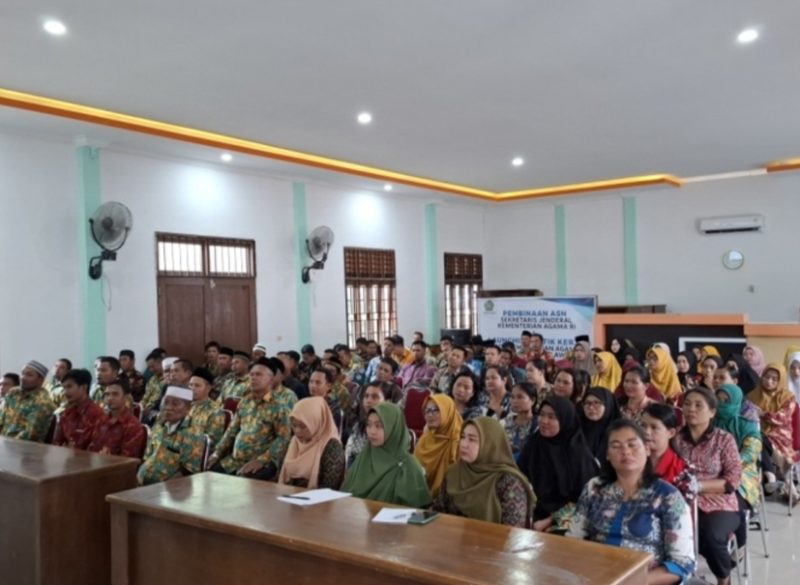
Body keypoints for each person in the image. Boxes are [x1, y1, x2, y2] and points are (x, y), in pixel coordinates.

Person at [567, 420, 696, 584]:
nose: (625, 451)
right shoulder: (595, 488)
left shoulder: (667, 496)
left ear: (647, 449)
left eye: (632, 445)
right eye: (616, 446)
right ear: (607, 454)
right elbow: (573, 540)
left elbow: (682, 563)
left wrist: (634, 581)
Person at [674, 387, 742, 585]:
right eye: (687, 404)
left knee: (711, 536)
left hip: (719, 502)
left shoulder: (723, 439)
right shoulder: (675, 439)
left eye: (698, 405)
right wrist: (686, 489)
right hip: (681, 501)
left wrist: (700, 486)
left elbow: (733, 479)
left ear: (712, 412)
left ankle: (724, 579)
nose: (691, 409)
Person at [432, 417, 535, 527]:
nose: (463, 444)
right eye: (462, 437)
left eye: (472, 440)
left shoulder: (509, 482)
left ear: (489, 444)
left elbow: (513, 531)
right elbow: (437, 512)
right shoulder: (453, 472)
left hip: (492, 542)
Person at [519, 396, 598, 533]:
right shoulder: (534, 445)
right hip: (527, 514)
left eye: (552, 417)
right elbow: (519, 482)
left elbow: (584, 502)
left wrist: (549, 521)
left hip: (564, 521)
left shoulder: (579, 456)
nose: (544, 421)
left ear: (565, 420)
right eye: (542, 415)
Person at [207, 357, 292, 480]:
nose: (253, 378)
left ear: (271, 379)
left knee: (245, 483)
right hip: (236, 460)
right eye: (251, 374)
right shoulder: (245, 401)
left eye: (259, 374)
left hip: (263, 461)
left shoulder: (279, 405)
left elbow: (283, 438)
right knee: (211, 473)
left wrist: (261, 460)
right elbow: (231, 430)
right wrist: (217, 453)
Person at [342, 403, 431, 507]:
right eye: (368, 425)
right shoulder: (364, 457)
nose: (372, 431)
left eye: (378, 426)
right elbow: (345, 496)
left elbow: (416, 513)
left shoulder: (408, 466)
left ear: (394, 428)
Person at [713, 383, 762, 550]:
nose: (722, 404)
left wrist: (731, 463)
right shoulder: (710, 422)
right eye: (718, 400)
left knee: (735, 503)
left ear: (736, 401)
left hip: (742, 473)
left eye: (726, 400)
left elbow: (752, 450)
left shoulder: (745, 424)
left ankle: (739, 544)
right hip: (712, 472)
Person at [748, 363, 798, 501]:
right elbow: (746, 416)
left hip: (780, 435)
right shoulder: (752, 396)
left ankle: (772, 477)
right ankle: (787, 484)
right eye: (766, 377)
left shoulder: (788, 397)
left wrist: (763, 414)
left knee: (760, 440)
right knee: (757, 438)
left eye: (774, 379)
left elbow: (783, 418)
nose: (769, 381)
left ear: (780, 380)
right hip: (757, 433)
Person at [137, 386, 205, 485]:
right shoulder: (159, 425)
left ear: (188, 408)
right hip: (142, 482)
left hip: (169, 490)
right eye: (166, 403)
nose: (168, 407)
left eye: (175, 404)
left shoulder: (193, 433)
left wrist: (163, 489)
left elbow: (188, 471)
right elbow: (147, 457)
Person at [278, 396, 345, 489]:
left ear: (316, 422)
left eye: (303, 426)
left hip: (318, 501)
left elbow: (329, 487)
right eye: (294, 425)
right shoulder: (293, 442)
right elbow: (279, 473)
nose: (297, 431)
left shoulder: (332, 447)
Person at [414, 394, 462, 497]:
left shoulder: (459, 443)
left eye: (435, 409)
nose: (430, 415)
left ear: (447, 411)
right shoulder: (424, 440)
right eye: (427, 410)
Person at [87, 378, 146, 458]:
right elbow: (92, 448)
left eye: (115, 394)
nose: (110, 398)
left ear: (125, 398)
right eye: (107, 394)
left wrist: (108, 458)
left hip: (118, 468)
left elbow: (128, 459)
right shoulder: (101, 420)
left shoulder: (133, 425)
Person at [0, 360, 56, 442]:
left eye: (29, 375)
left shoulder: (43, 403)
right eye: (22, 373)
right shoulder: (13, 393)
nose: (23, 377)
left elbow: (30, 435)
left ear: (41, 380)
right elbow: (1, 419)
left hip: (25, 450)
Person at [52, 368, 107, 449]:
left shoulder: (97, 414)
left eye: (69, 387)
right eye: (64, 388)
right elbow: (56, 443)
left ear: (84, 387)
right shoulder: (66, 413)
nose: (66, 392)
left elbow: (97, 448)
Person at [344, 381, 392, 468]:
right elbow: (349, 455)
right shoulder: (359, 426)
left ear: (387, 402)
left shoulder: (394, 430)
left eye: (375, 397)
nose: (368, 401)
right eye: (366, 396)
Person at [641, 403, 689, 487]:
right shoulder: (631, 459)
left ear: (671, 433)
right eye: (643, 426)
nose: (646, 432)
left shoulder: (683, 468)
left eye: (654, 427)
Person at [579, 386, 620, 462]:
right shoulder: (576, 431)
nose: (591, 407)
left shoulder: (619, 433)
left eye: (596, 403)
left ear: (608, 405)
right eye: (587, 403)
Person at [187, 367, 226, 445]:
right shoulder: (185, 406)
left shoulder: (216, 411)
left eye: (197, 386)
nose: (192, 388)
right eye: (190, 385)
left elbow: (212, 441)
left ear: (208, 388)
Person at [503, 382, 537, 459]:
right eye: (512, 397)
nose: (515, 401)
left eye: (520, 397)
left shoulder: (538, 426)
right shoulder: (504, 422)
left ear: (532, 400)